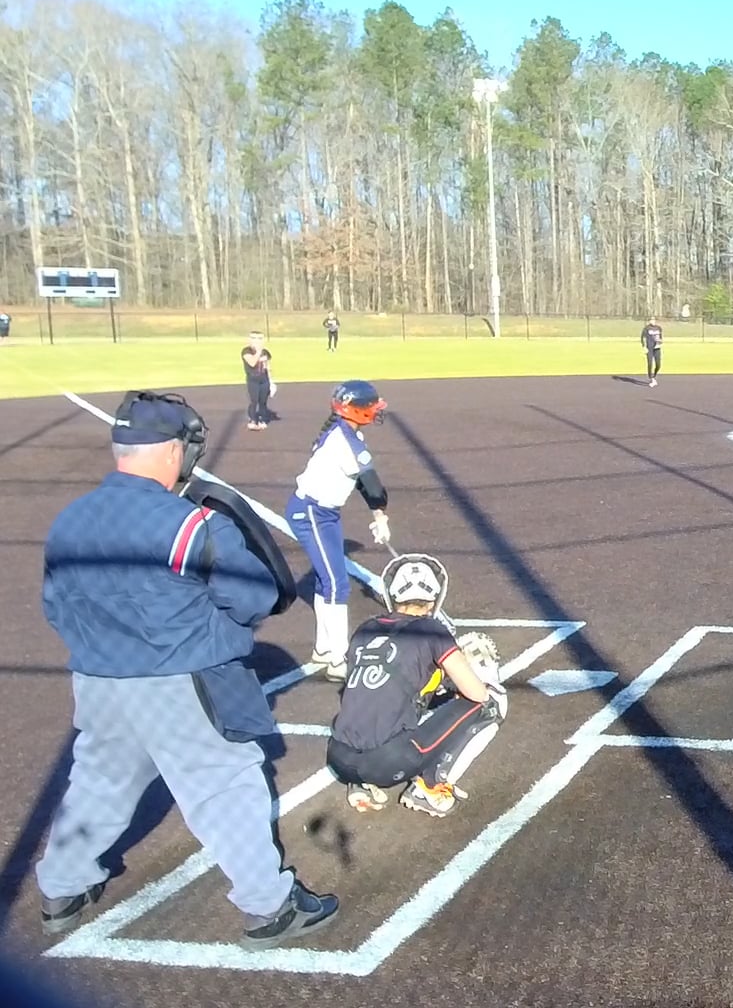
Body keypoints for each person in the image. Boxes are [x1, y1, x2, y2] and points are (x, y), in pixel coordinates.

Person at [37, 391, 336, 947]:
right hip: (184, 680)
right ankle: (270, 907)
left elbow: (55, 606)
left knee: (98, 782)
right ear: (175, 451)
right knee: (225, 784)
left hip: (98, 684)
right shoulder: (193, 523)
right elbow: (255, 597)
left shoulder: (68, 521)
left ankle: (61, 888)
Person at [328, 555, 506, 818]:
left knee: (373, 704)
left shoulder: (365, 629)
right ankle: (429, 788)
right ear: (433, 600)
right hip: (385, 763)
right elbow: (476, 693)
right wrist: (478, 675)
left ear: (393, 596)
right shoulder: (431, 630)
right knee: (492, 700)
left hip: (338, 756)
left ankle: (360, 784)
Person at [287, 380, 392, 681]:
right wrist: (381, 515)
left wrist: (378, 516)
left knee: (327, 580)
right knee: (336, 583)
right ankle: (339, 659)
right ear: (356, 410)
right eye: (371, 406)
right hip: (312, 512)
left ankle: (324, 648)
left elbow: (362, 482)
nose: (376, 410)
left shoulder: (343, 431)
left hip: (324, 513)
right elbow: (372, 485)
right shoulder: (346, 442)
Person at [241, 331, 273, 431]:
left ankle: (262, 419)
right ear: (250, 340)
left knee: (263, 401)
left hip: (264, 380)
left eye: (259, 339)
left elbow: (267, 367)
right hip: (253, 380)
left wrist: (271, 382)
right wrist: (258, 352)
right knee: (254, 400)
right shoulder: (246, 351)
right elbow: (252, 363)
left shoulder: (265, 352)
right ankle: (253, 420)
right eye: (254, 338)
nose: (257, 341)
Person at [643, 316, 664, 387]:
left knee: (658, 364)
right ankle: (651, 378)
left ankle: (654, 376)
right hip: (649, 348)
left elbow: (661, 337)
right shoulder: (647, 328)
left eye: (654, 320)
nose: (653, 321)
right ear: (649, 321)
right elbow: (643, 338)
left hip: (657, 348)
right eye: (651, 320)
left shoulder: (658, 328)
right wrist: (644, 347)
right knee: (650, 363)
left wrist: (660, 341)